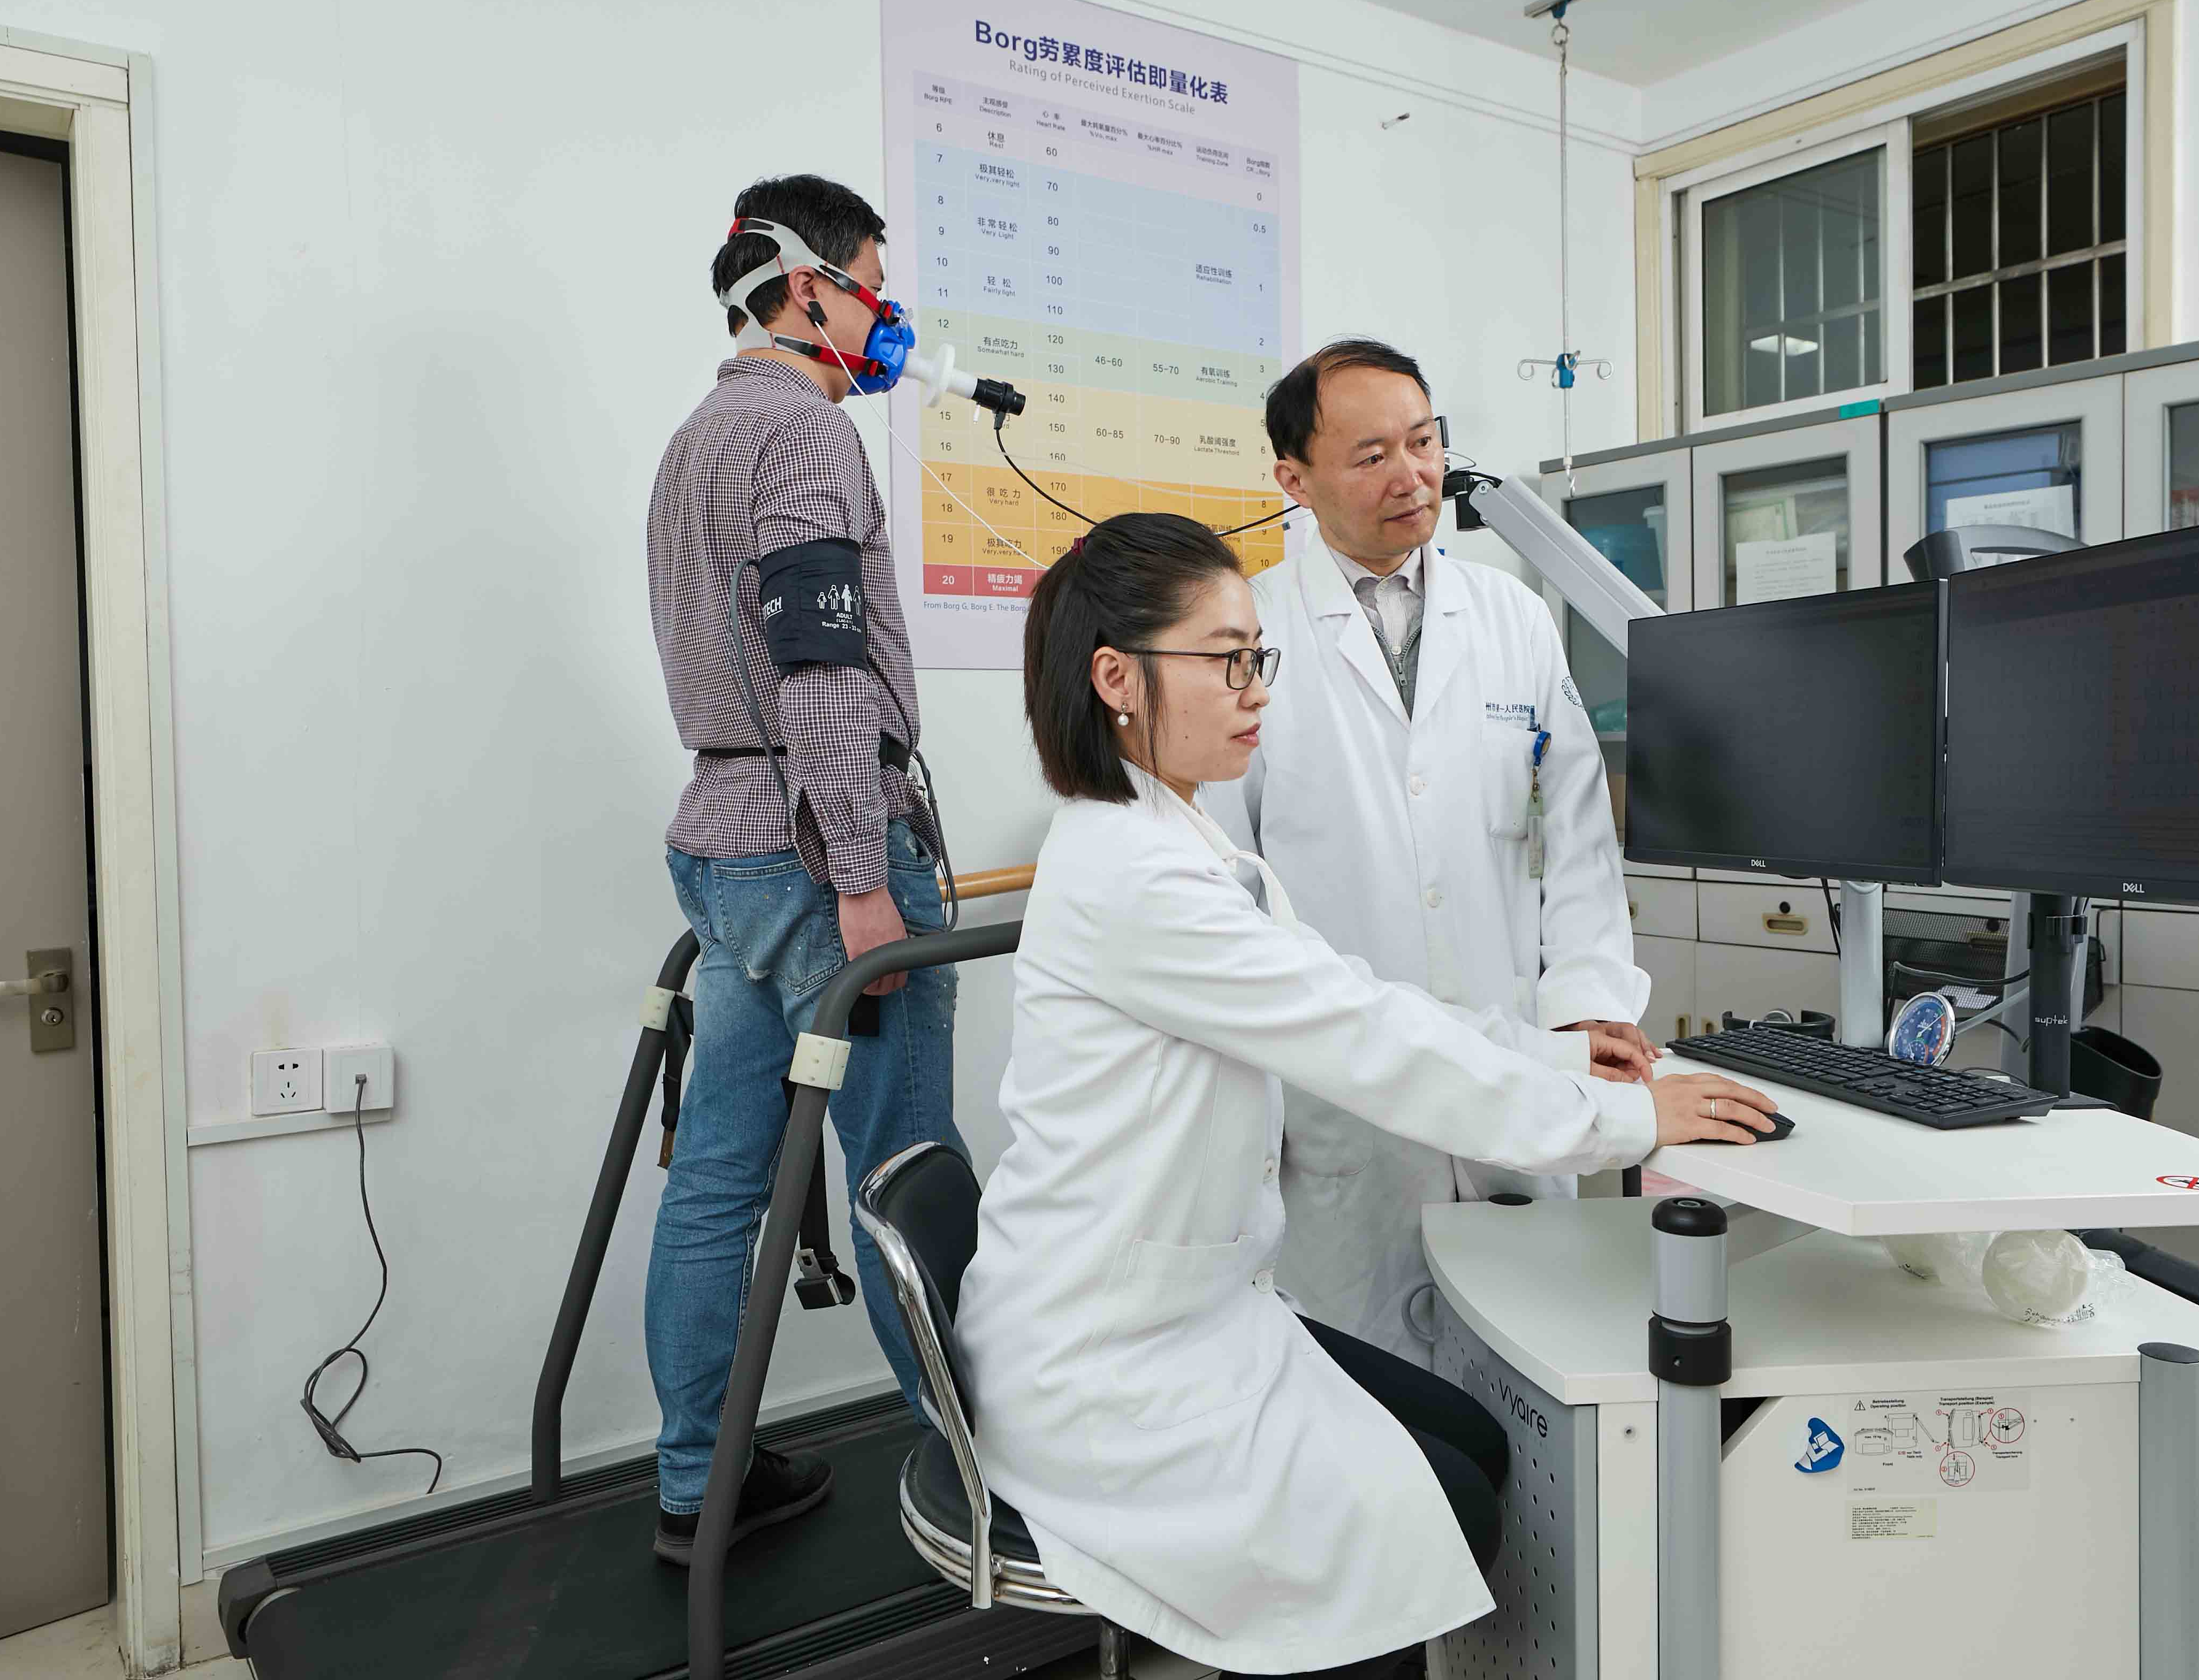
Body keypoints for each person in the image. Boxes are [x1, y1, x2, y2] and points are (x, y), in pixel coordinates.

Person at [955, 514, 1773, 1679]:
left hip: (1190, 1310)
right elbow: (1369, 1042)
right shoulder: (1138, 877)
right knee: (1437, 1512)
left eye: (1259, 656)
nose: (1257, 689)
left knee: (1476, 1447)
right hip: (1114, 1361)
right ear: (1116, 679)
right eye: (1226, 660)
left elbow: (1360, 995)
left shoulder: (1183, 838)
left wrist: (1555, 1059)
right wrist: (1627, 1124)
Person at [1206, 338, 1654, 1373]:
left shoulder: (1512, 618)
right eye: (1371, 456)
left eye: (1424, 441)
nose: (1412, 475)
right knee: (1368, 1381)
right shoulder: (1249, 631)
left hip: (1514, 1058)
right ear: (1293, 480)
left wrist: (1586, 1002)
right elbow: (1228, 875)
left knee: (1535, 1367)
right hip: (1344, 1101)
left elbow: (1577, 837)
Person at [642, 173, 963, 1566]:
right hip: (820, 858)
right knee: (904, 1169)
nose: (888, 317)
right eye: (875, 289)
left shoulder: (693, 442)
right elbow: (821, 671)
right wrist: (861, 875)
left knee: (718, 1175)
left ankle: (693, 1482)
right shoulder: (805, 435)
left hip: (722, 850)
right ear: (809, 287)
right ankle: (992, 1474)